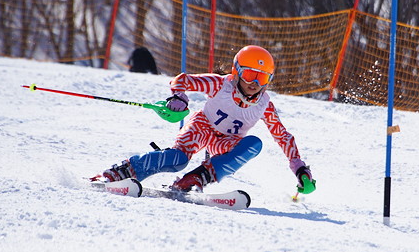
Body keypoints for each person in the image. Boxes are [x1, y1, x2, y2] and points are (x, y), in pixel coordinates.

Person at [97, 45, 315, 194]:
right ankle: (123, 171)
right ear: (237, 71)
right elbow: (183, 80)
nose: (255, 83)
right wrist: (179, 96)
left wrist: (298, 167)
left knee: (254, 144)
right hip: (203, 126)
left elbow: (282, 136)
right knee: (178, 159)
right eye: (250, 75)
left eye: (262, 77)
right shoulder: (220, 84)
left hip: (225, 142)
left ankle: (193, 180)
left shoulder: (264, 105)